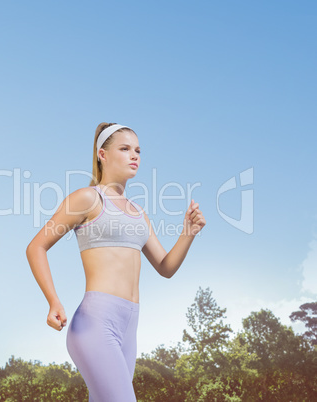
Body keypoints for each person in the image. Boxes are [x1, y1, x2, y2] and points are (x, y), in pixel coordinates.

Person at [26, 122, 206, 401]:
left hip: (129, 326)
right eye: (125, 148)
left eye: (138, 150)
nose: (135, 155)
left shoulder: (138, 214)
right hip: (96, 322)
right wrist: (53, 301)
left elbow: (165, 267)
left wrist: (188, 233)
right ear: (103, 154)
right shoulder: (87, 199)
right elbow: (36, 246)